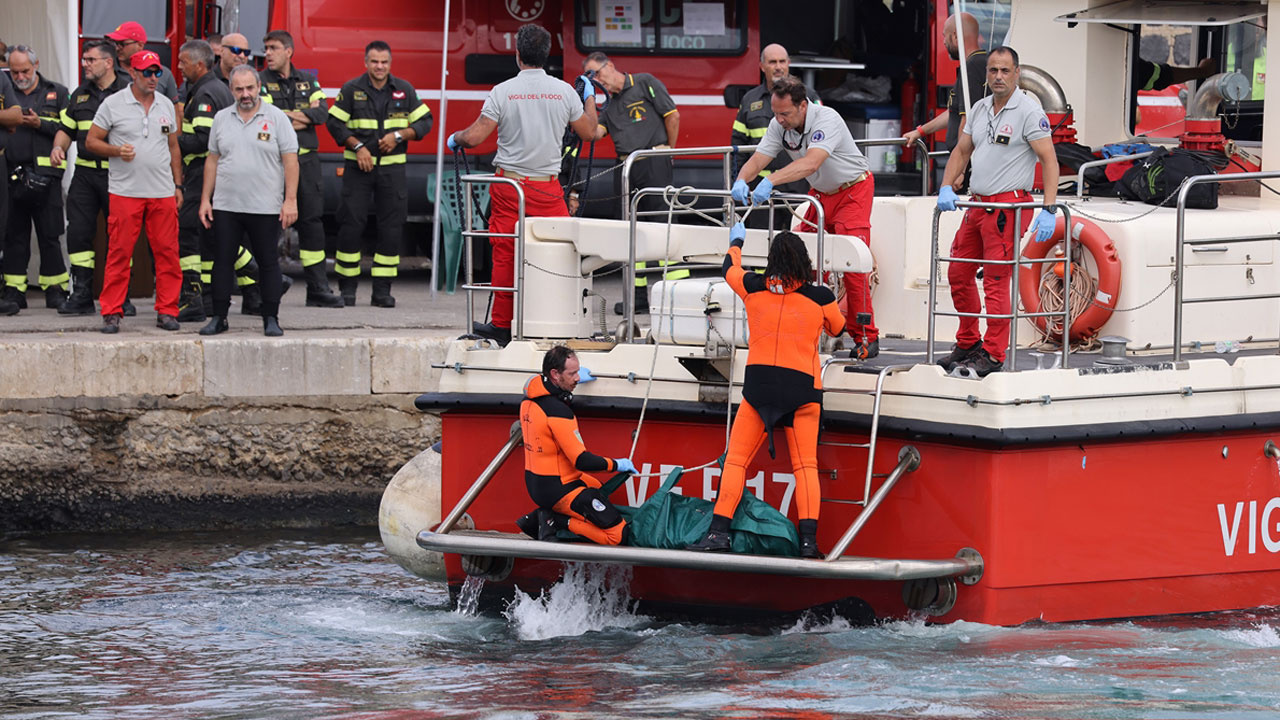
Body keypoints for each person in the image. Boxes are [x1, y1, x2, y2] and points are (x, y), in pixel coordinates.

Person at [687, 224, 845, 558]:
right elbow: (839, 327)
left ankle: (718, 535)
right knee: (805, 468)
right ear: (803, 262)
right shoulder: (820, 297)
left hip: (759, 389)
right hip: (802, 391)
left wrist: (737, 242)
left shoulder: (752, 286)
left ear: (772, 261)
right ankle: (808, 543)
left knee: (736, 462)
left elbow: (728, 269)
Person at [447, 23, 597, 347]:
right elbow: (589, 133)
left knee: (505, 253)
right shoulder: (564, 92)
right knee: (559, 252)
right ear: (546, 56)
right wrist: (590, 100)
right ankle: (561, 319)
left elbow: (475, 137)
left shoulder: (502, 91)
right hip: (548, 189)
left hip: (509, 188)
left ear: (517, 55)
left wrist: (455, 138)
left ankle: (501, 325)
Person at [731, 76, 878, 359]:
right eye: (775, 113)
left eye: (785, 114)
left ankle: (866, 338)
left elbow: (811, 162)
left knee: (853, 266)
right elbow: (760, 158)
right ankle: (811, 327)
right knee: (804, 261)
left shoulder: (827, 120)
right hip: (821, 193)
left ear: (802, 106)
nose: (779, 120)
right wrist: (741, 180)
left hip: (853, 191)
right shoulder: (779, 124)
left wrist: (770, 182)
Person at [935, 46, 1060, 377]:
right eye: (993, 71)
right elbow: (963, 151)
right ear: (986, 75)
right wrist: (946, 186)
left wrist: (1048, 208)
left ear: (1017, 74)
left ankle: (992, 353)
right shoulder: (978, 108)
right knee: (958, 273)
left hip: (1008, 206)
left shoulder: (1030, 112)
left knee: (995, 280)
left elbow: (1049, 160)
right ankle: (968, 342)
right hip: (978, 203)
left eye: (1005, 71)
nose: (999, 77)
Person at [326, 40, 432, 307]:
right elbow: (334, 123)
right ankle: (347, 290)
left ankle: (382, 292)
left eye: (384, 62)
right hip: (357, 169)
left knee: (392, 229)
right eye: (374, 61)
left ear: (390, 63)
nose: (380, 66)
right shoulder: (352, 89)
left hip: (392, 171)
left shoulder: (404, 90)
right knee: (351, 226)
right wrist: (358, 147)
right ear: (366, 62)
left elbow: (425, 121)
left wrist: (400, 135)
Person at [85, 50, 183, 334]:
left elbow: (173, 147)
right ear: (133, 73)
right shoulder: (113, 104)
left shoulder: (166, 104)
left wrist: (177, 185)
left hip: (162, 192)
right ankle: (112, 312)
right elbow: (91, 141)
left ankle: (167, 310)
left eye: (157, 73)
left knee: (167, 253)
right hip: (125, 192)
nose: (153, 78)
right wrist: (116, 151)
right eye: (147, 73)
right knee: (119, 253)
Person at [580, 52, 685, 315]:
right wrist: (588, 98)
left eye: (597, 74)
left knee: (663, 227)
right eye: (590, 78)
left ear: (611, 66)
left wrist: (668, 151)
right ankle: (637, 298)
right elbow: (593, 133)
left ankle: (678, 295)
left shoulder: (644, 82)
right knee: (631, 233)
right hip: (626, 169)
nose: (596, 80)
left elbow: (673, 116)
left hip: (653, 162)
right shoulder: (609, 107)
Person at [198, 65, 298, 338]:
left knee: (268, 263)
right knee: (222, 262)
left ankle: (271, 318)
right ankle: (219, 318)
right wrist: (206, 199)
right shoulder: (221, 118)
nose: (245, 94)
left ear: (258, 87)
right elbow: (212, 160)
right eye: (239, 89)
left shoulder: (277, 118)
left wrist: (290, 201)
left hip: (265, 206)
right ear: (231, 90)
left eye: (250, 88)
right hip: (226, 205)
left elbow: (291, 160)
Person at [517, 345, 634, 545]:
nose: (578, 378)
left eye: (578, 372)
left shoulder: (528, 399)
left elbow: (536, 385)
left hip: (538, 482)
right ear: (555, 374)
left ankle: (549, 514)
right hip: (558, 489)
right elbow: (581, 461)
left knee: (597, 487)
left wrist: (569, 379)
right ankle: (557, 521)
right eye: (572, 374)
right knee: (617, 535)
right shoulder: (559, 412)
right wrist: (617, 464)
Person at [260, 29, 344, 308]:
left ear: (289, 51)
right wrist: (302, 116)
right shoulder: (259, 82)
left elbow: (321, 114)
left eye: (273, 48)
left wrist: (289, 115)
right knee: (268, 225)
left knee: (312, 224)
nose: (267, 53)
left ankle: (318, 288)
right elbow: (269, 118)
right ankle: (264, 288)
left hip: (307, 162)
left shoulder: (308, 80)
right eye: (266, 48)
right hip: (273, 164)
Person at [53, 39, 130, 315]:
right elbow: (67, 128)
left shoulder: (128, 90)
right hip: (85, 174)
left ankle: (122, 297)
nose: (85, 64)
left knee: (119, 236)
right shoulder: (80, 94)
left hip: (119, 174)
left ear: (108, 63)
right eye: (84, 59)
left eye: (90, 60)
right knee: (78, 233)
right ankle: (82, 295)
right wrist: (57, 148)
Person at [2, 45, 70, 310]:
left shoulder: (57, 92)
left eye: (25, 71)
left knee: (50, 234)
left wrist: (40, 124)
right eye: (14, 71)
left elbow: (68, 128)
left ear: (37, 64)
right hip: (12, 175)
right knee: (14, 235)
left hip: (46, 177)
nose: (19, 77)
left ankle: (55, 288)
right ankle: (14, 290)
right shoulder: (4, 92)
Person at [175, 39, 234, 322]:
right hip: (211, 174)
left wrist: (172, 140)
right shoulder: (213, 88)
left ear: (199, 64)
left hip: (202, 174)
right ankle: (209, 298)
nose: (178, 67)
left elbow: (201, 140)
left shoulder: (206, 93)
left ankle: (192, 297)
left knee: (188, 232)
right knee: (211, 238)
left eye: (183, 62)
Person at [731, 44, 820, 230]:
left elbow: (818, 144)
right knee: (761, 244)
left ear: (788, 64)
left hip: (798, 187)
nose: (778, 67)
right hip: (760, 190)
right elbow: (738, 145)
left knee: (799, 243)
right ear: (762, 66)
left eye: (782, 61)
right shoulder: (750, 100)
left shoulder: (808, 97)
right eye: (772, 62)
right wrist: (739, 181)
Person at [903, 12, 988, 153]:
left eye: (945, 36)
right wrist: (920, 132)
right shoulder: (977, 63)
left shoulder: (972, 67)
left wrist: (960, 165)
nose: (943, 42)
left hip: (967, 163)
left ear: (955, 36)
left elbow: (966, 119)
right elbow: (953, 112)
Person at [0, 63, 30, 316]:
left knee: (1, 226)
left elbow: (15, 118)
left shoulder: (2, 79)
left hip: (0, 160)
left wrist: (8, 118)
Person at [106, 21, 180, 104]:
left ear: (140, 45)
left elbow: (175, 111)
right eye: (116, 43)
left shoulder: (164, 74)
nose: (117, 48)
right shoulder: (107, 71)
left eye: (122, 44)